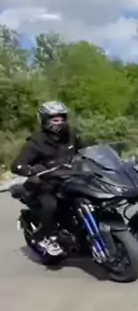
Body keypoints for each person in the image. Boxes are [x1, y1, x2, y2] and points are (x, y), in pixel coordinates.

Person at [11, 101, 87, 256]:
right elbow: (17, 165)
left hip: (71, 180)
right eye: (55, 119)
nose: (60, 122)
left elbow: (87, 151)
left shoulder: (72, 136)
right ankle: (43, 237)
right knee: (50, 205)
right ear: (45, 120)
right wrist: (32, 170)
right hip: (46, 184)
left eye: (62, 118)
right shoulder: (36, 142)